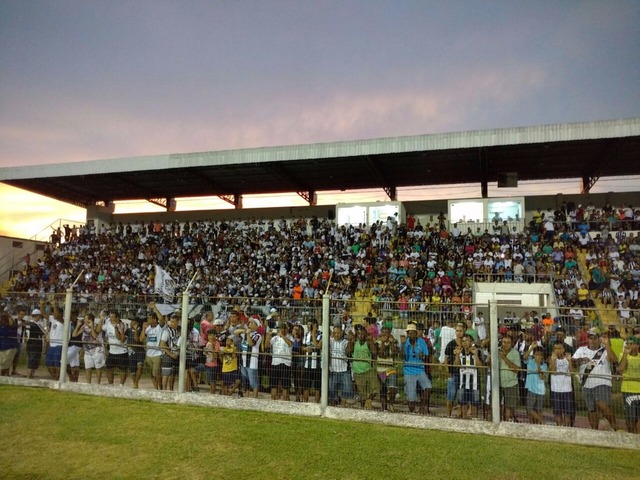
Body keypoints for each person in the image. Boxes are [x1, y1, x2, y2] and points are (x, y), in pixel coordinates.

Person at [572, 329, 619, 431]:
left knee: (601, 403)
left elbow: (614, 360)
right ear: (587, 339)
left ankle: (615, 427)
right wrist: (580, 360)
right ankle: (594, 432)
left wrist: (607, 345)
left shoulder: (605, 350)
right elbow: (573, 363)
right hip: (586, 383)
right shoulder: (581, 350)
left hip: (602, 382)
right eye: (590, 338)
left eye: (595, 338)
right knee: (591, 409)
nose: (593, 340)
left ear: (599, 339)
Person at [348, 324, 378, 410]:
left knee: (375, 389)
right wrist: (350, 341)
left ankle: (369, 400)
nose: (361, 336)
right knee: (362, 394)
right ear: (356, 334)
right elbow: (348, 351)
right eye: (359, 334)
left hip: (368, 369)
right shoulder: (354, 342)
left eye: (363, 334)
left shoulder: (368, 342)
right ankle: (364, 408)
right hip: (357, 371)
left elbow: (374, 353)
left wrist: (371, 341)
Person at [403, 323, 431, 414]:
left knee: (428, 387)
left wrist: (423, 357)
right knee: (411, 398)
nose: (411, 335)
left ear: (416, 333)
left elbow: (426, 355)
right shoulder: (406, 343)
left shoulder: (421, 342)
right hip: (409, 370)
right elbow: (404, 358)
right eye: (409, 333)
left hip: (420, 369)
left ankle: (422, 407)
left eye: (412, 333)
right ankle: (412, 412)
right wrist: (404, 346)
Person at [454, 333, 484, 419]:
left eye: (467, 341)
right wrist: (457, 355)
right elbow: (456, 365)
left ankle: (474, 421)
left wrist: (475, 355)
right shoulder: (460, 352)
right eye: (463, 341)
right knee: (463, 404)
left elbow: (480, 366)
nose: (465, 343)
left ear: (471, 342)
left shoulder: (476, 352)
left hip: (474, 384)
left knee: (474, 404)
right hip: (462, 384)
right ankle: (464, 421)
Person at [548, 341, 575, 427]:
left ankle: (567, 428)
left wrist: (569, 361)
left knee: (567, 413)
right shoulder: (552, 358)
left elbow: (572, 373)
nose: (557, 351)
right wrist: (553, 360)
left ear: (563, 349)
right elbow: (552, 372)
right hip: (555, 390)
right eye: (555, 349)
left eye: (559, 348)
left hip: (567, 390)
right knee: (557, 412)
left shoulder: (568, 359)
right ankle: (559, 429)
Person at [618, 335, 640, 434]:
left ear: (637, 345)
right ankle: (631, 437)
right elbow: (621, 369)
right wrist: (625, 355)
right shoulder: (622, 354)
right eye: (627, 344)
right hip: (628, 390)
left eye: (631, 344)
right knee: (630, 417)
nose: (629, 346)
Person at [100, 311, 129, 387]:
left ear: (117, 317)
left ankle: (121, 385)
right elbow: (100, 329)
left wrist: (115, 327)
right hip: (112, 351)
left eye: (113, 317)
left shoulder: (123, 325)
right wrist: (101, 319)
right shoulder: (108, 324)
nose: (111, 319)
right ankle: (111, 384)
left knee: (123, 369)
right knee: (109, 368)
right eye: (110, 317)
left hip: (122, 351)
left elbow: (120, 338)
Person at [139, 305, 164, 390]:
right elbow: (141, 339)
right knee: (152, 374)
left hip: (157, 354)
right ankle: (156, 389)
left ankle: (161, 388)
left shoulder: (159, 327)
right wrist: (143, 329)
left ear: (154, 319)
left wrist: (155, 309)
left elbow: (161, 319)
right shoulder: (148, 328)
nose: (148, 320)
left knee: (156, 373)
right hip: (149, 354)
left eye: (149, 318)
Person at [267, 323, 293, 401]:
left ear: (285, 329)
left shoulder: (290, 337)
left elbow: (290, 344)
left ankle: (285, 401)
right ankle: (273, 401)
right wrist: (268, 336)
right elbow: (266, 346)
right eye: (278, 328)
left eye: (281, 328)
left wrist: (283, 336)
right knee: (273, 384)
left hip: (286, 363)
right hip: (275, 363)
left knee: (285, 386)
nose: (279, 330)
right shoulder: (274, 338)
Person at [444, 322, 465, 417]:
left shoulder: (467, 344)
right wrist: (448, 371)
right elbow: (446, 359)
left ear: (464, 331)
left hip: (463, 374)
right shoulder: (451, 344)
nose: (459, 333)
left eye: (460, 331)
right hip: (453, 373)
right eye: (457, 331)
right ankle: (448, 415)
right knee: (450, 395)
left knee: (461, 396)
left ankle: (459, 414)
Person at [375, 324, 398, 412]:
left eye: (386, 333)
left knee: (392, 388)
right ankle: (384, 408)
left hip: (390, 369)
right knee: (383, 389)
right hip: (380, 370)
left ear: (389, 334)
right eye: (383, 333)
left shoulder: (394, 341)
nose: (384, 334)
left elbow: (395, 353)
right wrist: (383, 343)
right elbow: (381, 354)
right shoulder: (378, 342)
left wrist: (391, 343)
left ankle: (391, 403)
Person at [498, 335, 521, 422]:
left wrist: (504, 358)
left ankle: (507, 422)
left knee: (509, 406)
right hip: (498, 383)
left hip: (511, 383)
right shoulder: (496, 350)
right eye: (504, 342)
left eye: (508, 343)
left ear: (511, 344)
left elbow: (516, 370)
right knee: (497, 405)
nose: (505, 345)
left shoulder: (515, 353)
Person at [523, 344, 548, 424]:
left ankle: (540, 424)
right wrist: (531, 348)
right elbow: (524, 357)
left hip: (540, 390)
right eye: (537, 354)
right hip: (531, 389)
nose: (539, 357)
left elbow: (542, 377)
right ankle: (537, 423)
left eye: (540, 355)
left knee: (539, 410)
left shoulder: (544, 365)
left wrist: (538, 365)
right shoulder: (530, 360)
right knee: (529, 409)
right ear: (534, 355)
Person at [78, 312, 105, 384]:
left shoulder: (97, 326)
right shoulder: (84, 327)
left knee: (98, 368)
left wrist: (92, 326)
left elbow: (94, 336)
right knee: (87, 368)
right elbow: (75, 334)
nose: (84, 320)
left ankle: (98, 384)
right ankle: (88, 384)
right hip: (87, 351)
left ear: (90, 320)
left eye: (85, 319)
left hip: (97, 350)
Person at [329, 325, 353, 406]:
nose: (336, 334)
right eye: (334, 333)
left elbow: (348, 352)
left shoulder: (345, 342)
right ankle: (332, 407)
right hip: (333, 370)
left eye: (338, 333)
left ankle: (342, 407)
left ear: (342, 333)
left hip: (344, 370)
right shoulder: (330, 341)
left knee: (346, 391)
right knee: (331, 391)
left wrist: (350, 340)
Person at [240, 316, 262, 398]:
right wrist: (245, 331)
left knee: (253, 382)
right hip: (244, 361)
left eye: (254, 323)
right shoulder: (245, 333)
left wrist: (248, 334)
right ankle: (246, 397)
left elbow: (251, 344)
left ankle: (254, 398)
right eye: (251, 323)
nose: (251, 324)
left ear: (257, 326)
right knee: (245, 382)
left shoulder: (258, 335)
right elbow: (235, 332)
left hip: (252, 362)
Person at [45, 298, 66, 381]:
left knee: (57, 364)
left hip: (59, 345)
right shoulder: (52, 319)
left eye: (54, 311)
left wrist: (54, 305)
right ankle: (54, 378)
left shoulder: (63, 320)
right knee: (48, 363)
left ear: (60, 313)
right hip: (52, 344)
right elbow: (43, 313)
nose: (53, 313)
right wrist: (42, 305)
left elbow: (57, 316)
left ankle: (57, 379)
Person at [302, 319, 322, 403]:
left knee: (317, 387)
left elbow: (317, 346)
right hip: (308, 364)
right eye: (307, 324)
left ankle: (317, 404)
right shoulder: (306, 334)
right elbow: (302, 347)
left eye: (310, 325)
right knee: (306, 386)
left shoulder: (321, 335)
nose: (308, 326)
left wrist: (313, 334)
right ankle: (305, 404)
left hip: (318, 365)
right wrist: (306, 349)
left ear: (315, 325)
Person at [23, 306, 46, 378]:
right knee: (32, 363)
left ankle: (30, 376)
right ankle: (29, 377)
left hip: (29, 345)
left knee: (31, 362)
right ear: (38, 316)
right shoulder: (35, 325)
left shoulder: (28, 324)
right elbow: (44, 334)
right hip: (35, 346)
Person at [0, 311, 18, 376]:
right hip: (2, 347)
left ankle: (3, 377)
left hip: (10, 347)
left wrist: (8, 315)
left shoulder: (12, 327)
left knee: (5, 364)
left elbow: (13, 324)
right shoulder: (1, 327)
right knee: (3, 364)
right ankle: (5, 376)